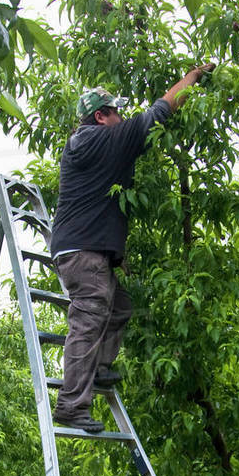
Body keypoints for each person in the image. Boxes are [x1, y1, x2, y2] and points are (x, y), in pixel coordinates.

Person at [50, 64, 215, 432]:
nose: (121, 117)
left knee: (121, 305)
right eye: (116, 112)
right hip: (81, 252)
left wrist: (114, 256)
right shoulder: (97, 139)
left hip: (88, 250)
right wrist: (190, 79)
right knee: (89, 318)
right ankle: (71, 405)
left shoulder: (89, 144)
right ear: (100, 116)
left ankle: (101, 369)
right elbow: (157, 115)